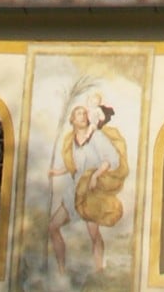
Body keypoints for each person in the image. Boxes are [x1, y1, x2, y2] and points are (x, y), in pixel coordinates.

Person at [46, 95, 128, 277]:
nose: (83, 116)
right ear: (72, 120)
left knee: (94, 234)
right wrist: (54, 172)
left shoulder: (97, 137)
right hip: (74, 192)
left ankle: (98, 270)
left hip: (92, 191)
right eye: (78, 114)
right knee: (52, 227)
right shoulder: (70, 140)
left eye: (84, 113)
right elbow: (71, 165)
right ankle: (61, 270)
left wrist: (96, 175)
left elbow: (111, 159)